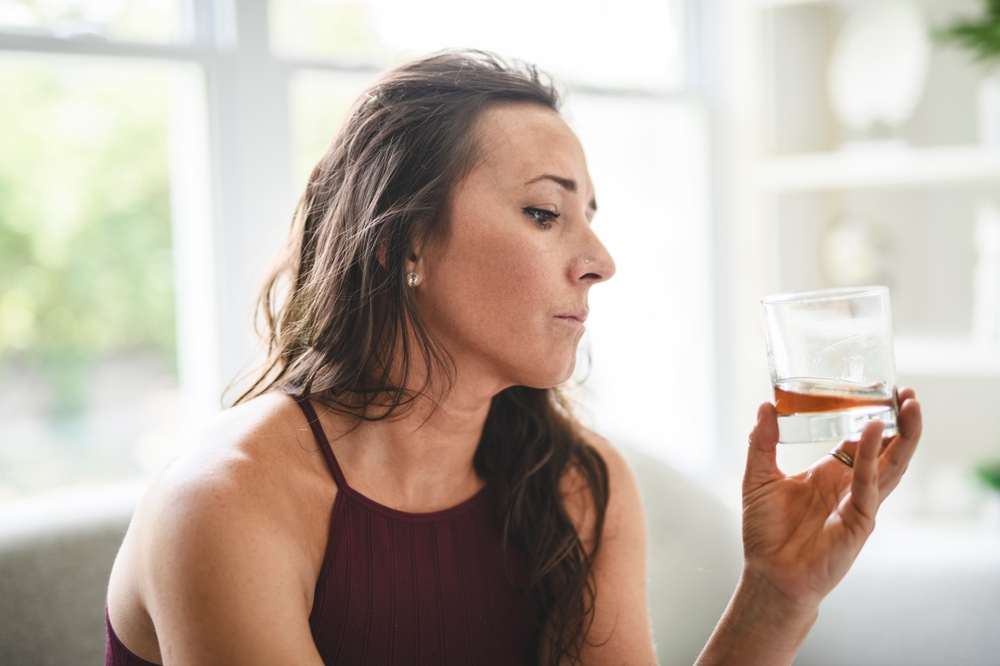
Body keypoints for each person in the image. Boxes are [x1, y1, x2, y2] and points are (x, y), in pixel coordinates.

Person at [104, 50, 922, 666]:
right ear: (399, 241)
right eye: (543, 212)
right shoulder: (227, 505)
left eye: (588, 215)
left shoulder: (577, 483)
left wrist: (775, 599)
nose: (600, 259)